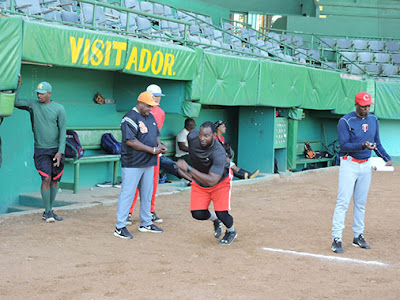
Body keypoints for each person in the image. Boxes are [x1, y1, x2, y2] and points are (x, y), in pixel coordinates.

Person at [331, 92, 392, 253]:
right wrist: (362, 145)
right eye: (363, 106)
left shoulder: (373, 119)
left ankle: (358, 236)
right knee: (343, 202)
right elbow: (343, 146)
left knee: (361, 203)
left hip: (366, 165)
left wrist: (385, 157)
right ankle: (336, 238)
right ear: (356, 105)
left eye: (368, 106)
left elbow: (377, 142)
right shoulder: (345, 121)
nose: (366, 109)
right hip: (349, 164)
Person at [114, 91, 167, 239]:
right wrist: (153, 149)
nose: (151, 109)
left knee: (147, 194)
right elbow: (131, 141)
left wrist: (159, 146)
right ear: (141, 103)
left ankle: (146, 223)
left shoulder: (150, 117)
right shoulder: (129, 118)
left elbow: (156, 134)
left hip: (148, 162)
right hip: (133, 163)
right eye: (149, 106)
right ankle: (120, 226)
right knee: (128, 194)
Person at [177, 121, 237, 245]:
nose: (202, 138)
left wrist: (188, 169)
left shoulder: (218, 152)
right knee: (197, 213)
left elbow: (212, 180)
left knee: (222, 213)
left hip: (220, 182)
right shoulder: (192, 137)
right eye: (201, 135)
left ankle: (231, 231)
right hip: (200, 182)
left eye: (206, 136)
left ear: (214, 135)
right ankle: (215, 220)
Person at [14, 79, 66, 222]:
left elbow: (63, 130)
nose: (39, 96)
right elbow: (15, 102)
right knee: (46, 178)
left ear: (49, 94)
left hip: (56, 150)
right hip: (41, 150)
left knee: (55, 181)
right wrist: (18, 85)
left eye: (42, 93)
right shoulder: (32, 105)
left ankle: (49, 210)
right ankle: (48, 211)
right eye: (38, 93)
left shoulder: (59, 108)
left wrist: (60, 151)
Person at [127, 84, 165, 225]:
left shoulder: (160, 113)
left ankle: (150, 210)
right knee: (134, 184)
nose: (158, 99)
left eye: (159, 97)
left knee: (152, 184)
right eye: (155, 96)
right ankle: (128, 213)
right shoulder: (137, 113)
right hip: (139, 154)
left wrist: (159, 147)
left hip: (154, 154)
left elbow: (156, 133)